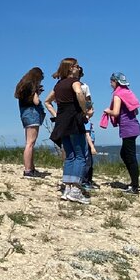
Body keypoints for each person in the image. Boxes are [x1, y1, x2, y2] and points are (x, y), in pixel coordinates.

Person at [44, 57, 92, 204]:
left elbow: (47, 101)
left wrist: (56, 115)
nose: (79, 68)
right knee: (80, 156)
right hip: (74, 120)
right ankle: (76, 190)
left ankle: (67, 189)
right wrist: (85, 110)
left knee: (70, 156)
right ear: (71, 68)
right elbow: (78, 93)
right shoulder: (74, 82)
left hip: (62, 122)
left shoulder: (58, 85)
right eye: (77, 66)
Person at [103, 72, 140, 193]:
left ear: (115, 82)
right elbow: (136, 112)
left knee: (129, 156)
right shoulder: (128, 93)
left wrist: (108, 111)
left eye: (111, 81)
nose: (110, 84)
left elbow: (116, 112)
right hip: (133, 126)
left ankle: (135, 186)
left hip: (127, 128)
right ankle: (134, 183)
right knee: (125, 154)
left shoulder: (118, 94)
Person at [14, 67, 46, 178]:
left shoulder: (22, 85)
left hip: (24, 114)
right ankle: (28, 170)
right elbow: (36, 102)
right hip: (32, 114)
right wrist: (37, 92)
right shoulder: (32, 86)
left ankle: (31, 168)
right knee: (30, 143)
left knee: (29, 142)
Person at [75, 64, 97, 189]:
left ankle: (85, 180)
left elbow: (88, 99)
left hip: (83, 115)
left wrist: (89, 110)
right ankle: (83, 180)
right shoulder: (68, 84)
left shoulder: (84, 86)